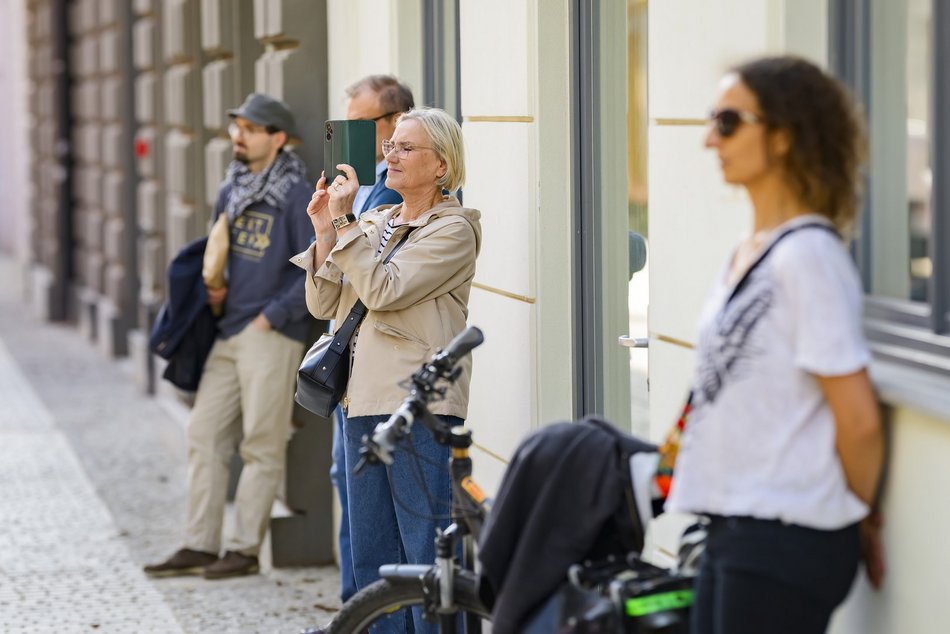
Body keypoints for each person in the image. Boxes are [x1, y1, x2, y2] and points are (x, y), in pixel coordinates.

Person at [665, 56, 886, 634]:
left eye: (730, 122)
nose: (711, 139)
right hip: (733, 527)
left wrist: (851, 514)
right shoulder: (753, 250)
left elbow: (858, 420)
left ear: (784, 136)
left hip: (784, 537)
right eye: (713, 120)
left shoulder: (809, 257)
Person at [296, 106, 480, 633]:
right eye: (390, 144)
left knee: (427, 557)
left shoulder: (454, 229)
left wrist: (348, 223)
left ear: (441, 165)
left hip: (418, 409)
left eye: (405, 147)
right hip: (361, 401)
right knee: (375, 561)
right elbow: (323, 301)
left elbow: (383, 289)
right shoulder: (376, 220)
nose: (389, 155)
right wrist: (325, 228)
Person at [144, 93, 315, 579]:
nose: (237, 135)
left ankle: (243, 550)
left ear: (276, 138)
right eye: (236, 126)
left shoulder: (298, 195)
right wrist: (214, 293)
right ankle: (200, 543)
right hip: (227, 329)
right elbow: (220, 250)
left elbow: (318, 268)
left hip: (270, 333)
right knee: (202, 433)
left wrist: (272, 316)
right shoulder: (231, 188)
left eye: (250, 128)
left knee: (261, 443)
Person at [330, 74, 414, 605]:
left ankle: (362, 608)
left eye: (359, 125)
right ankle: (353, 607)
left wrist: (344, 222)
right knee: (350, 488)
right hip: (351, 363)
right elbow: (329, 288)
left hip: (387, 371)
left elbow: (378, 285)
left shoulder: (403, 198)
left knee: (385, 504)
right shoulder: (360, 184)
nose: (349, 135)